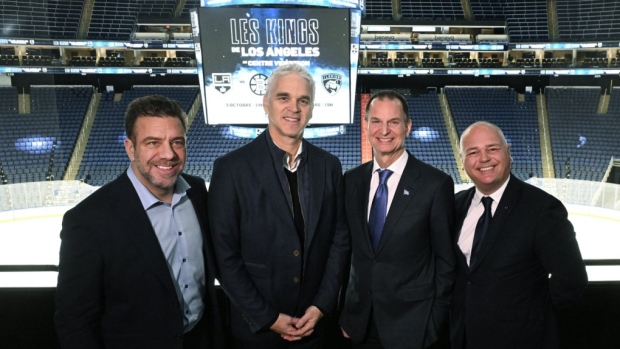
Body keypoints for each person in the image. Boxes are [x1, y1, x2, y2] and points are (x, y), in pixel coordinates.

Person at [55, 95, 223, 349]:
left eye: (177, 142)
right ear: (130, 148)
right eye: (153, 142)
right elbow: (74, 320)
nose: (168, 154)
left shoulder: (197, 192)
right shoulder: (89, 219)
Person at [208, 63, 349, 349]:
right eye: (283, 98)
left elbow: (338, 242)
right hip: (257, 332)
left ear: (312, 108)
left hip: (316, 328)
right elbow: (224, 256)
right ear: (266, 103)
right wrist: (268, 317)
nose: (293, 109)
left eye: (303, 100)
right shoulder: (231, 169)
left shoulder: (329, 166)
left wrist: (321, 306)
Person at [451, 121, 588, 349]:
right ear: (462, 161)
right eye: (473, 152)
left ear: (508, 152)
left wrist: (532, 318)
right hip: (463, 338)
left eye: (492, 149)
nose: (484, 158)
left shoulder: (542, 209)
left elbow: (571, 280)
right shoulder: (454, 207)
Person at [339, 90, 456, 349]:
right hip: (359, 326)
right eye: (377, 122)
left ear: (407, 127)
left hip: (413, 327)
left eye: (393, 122)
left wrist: (433, 324)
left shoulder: (435, 185)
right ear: (367, 126)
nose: (385, 130)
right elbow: (348, 253)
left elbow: (446, 263)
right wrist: (346, 316)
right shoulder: (351, 181)